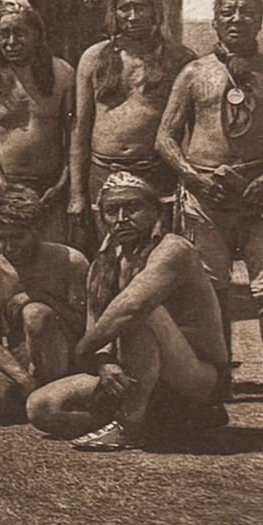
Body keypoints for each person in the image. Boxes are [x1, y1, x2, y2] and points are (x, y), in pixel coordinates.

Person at [157, 0, 263, 414]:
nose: (236, 18)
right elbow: (166, 138)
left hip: (259, 196)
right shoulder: (194, 73)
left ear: (260, 21)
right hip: (205, 195)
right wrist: (192, 177)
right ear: (214, 21)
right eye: (226, 11)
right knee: (209, 291)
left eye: (246, 11)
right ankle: (216, 379)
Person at [28, 172, 229, 450]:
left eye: (133, 208)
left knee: (141, 313)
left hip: (196, 377)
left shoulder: (173, 249)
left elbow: (133, 307)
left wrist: (84, 351)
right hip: (138, 371)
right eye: (112, 210)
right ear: (102, 217)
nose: (122, 218)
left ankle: (129, 426)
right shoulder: (104, 262)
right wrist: (103, 364)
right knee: (41, 407)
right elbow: (95, 328)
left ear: (155, 211)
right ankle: (155, 422)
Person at [68, 0, 193, 237]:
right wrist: (77, 193)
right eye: (125, 8)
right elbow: (79, 129)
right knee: (108, 254)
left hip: (156, 176)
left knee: (157, 255)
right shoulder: (94, 58)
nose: (133, 16)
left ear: (155, 11)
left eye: (141, 7)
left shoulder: (179, 59)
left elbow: (193, 129)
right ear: (113, 13)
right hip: (102, 174)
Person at [0, 187, 89, 425]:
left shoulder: (70, 261)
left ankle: (55, 395)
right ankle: (37, 397)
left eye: (18, 237)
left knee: (35, 314)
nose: (10, 247)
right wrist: (21, 378)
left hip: (65, 355)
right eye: (2, 238)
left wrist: (41, 298)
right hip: (22, 357)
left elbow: (84, 325)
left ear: (37, 229)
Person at [0, 0, 75, 244]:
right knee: (10, 256)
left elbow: (73, 135)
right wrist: (4, 190)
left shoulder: (62, 74)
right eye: (4, 34)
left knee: (52, 256)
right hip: (4, 185)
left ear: (36, 34)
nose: (11, 42)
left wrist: (62, 184)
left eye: (20, 33)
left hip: (50, 190)